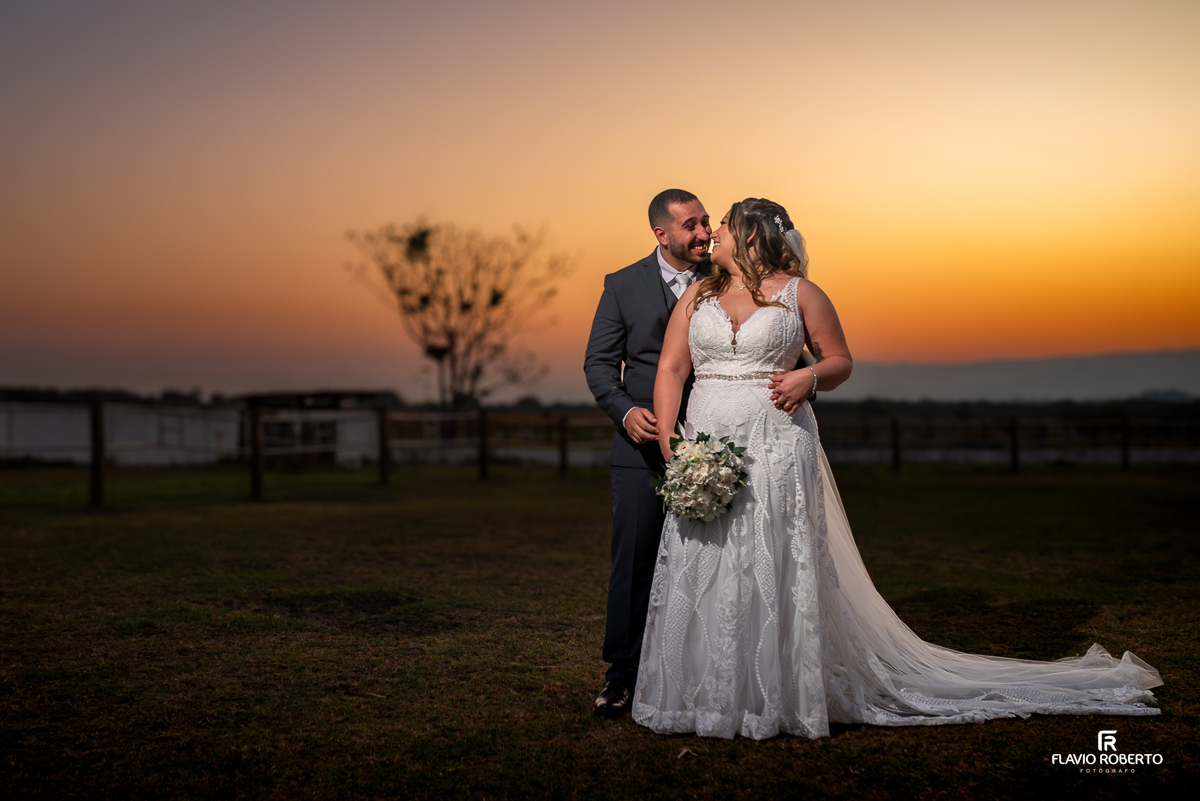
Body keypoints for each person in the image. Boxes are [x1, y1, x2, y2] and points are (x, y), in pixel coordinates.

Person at [633, 197, 1162, 740]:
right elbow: (673, 366)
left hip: (775, 445)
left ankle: (776, 694)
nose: (710, 234)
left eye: (720, 224)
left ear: (748, 236)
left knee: (772, 557)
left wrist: (809, 379)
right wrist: (673, 440)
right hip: (706, 444)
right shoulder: (701, 294)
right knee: (707, 560)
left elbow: (839, 359)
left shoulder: (801, 294)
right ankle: (704, 694)